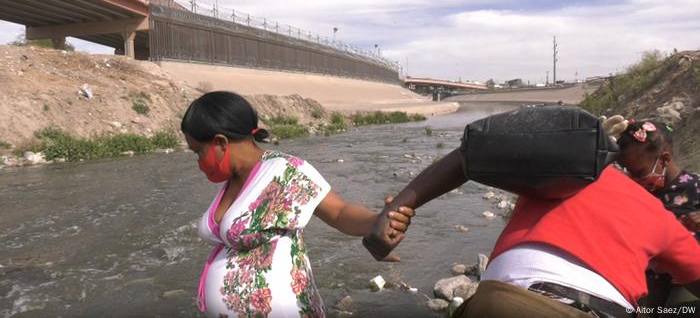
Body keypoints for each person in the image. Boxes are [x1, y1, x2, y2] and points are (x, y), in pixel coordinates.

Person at [363, 113, 700, 318]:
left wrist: (397, 207)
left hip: (500, 302)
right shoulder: (659, 216)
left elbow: (473, 152)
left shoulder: (563, 173)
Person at [182, 91, 415, 317]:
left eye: (198, 152)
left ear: (221, 142)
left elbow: (338, 212)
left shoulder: (286, 171)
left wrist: (378, 221)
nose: (198, 161)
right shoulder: (232, 181)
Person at [616, 119, 700, 315]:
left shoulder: (695, 187)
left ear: (664, 159)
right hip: (647, 282)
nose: (634, 179)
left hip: (686, 284)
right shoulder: (636, 192)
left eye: (639, 172)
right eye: (628, 172)